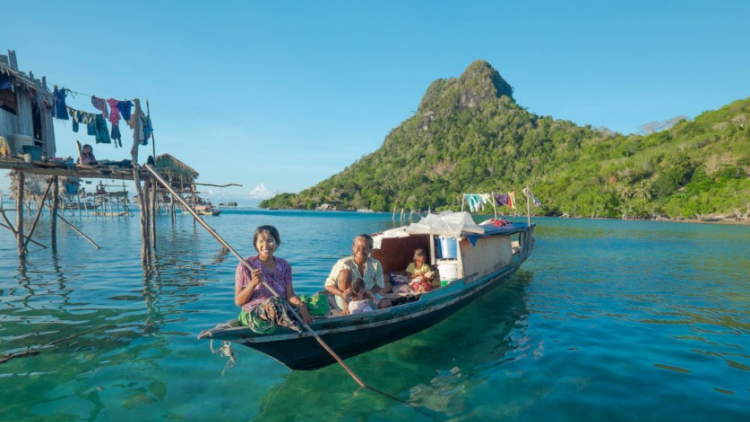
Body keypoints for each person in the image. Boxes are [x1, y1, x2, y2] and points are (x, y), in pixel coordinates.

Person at [235, 225, 312, 333]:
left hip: (282, 307)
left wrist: (302, 306)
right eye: (261, 241)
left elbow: (290, 295)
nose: (265, 245)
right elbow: (239, 302)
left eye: (270, 241)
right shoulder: (246, 265)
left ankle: (288, 318)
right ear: (255, 244)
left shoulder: (284, 265)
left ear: (277, 243)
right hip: (256, 312)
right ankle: (290, 323)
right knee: (274, 302)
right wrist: (253, 284)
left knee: (314, 303)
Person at [325, 233, 392, 314]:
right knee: (345, 273)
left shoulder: (375, 264)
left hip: (368, 296)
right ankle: (347, 309)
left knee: (386, 304)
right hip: (346, 299)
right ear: (353, 248)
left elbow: (379, 285)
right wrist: (342, 294)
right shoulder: (343, 263)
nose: (361, 250)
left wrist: (368, 293)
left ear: (370, 250)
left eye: (365, 248)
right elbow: (328, 285)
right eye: (358, 247)